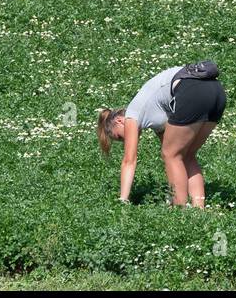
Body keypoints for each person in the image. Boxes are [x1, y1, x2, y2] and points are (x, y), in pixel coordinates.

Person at [97, 62, 227, 207]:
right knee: (186, 155)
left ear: (120, 121)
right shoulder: (154, 117)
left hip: (192, 89)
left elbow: (129, 160)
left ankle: (180, 210)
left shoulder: (132, 115)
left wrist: (123, 199)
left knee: (171, 155)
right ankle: (199, 210)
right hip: (217, 91)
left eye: (120, 137)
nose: (125, 140)